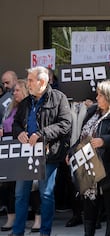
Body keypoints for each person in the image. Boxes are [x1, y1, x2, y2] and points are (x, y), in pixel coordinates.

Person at [11, 66, 72, 236]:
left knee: (46, 194)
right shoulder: (26, 102)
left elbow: (65, 124)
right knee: (20, 195)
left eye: (30, 80)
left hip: (48, 154)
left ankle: (45, 232)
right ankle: (18, 232)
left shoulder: (59, 98)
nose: (27, 83)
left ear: (42, 82)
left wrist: (41, 134)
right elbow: (16, 123)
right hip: (26, 155)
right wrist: (19, 132)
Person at [68, 80, 110, 236]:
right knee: (89, 210)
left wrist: (104, 141)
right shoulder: (92, 113)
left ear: (109, 97)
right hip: (89, 170)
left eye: (100, 95)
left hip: (109, 170)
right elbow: (83, 138)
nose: (97, 97)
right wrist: (71, 152)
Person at [0, 80, 29, 231]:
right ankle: (11, 218)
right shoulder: (10, 108)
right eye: (14, 91)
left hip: (20, 148)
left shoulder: (28, 107)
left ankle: (28, 220)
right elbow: (4, 124)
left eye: (17, 90)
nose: (14, 93)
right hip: (6, 148)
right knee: (6, 185)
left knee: (23, 188)